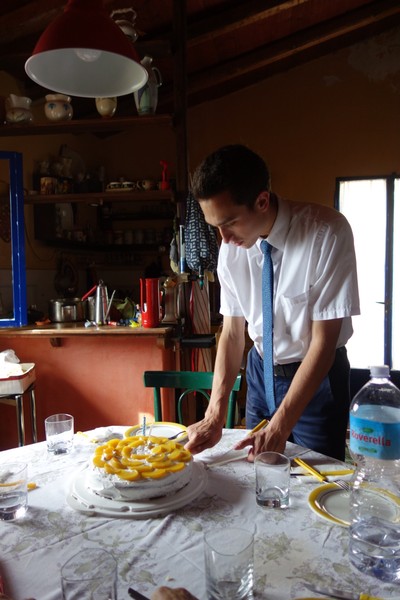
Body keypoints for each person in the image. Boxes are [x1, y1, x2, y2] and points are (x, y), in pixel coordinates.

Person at [185, 144, 360, 461]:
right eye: (215, 227)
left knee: (314, 480)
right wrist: (214, 413)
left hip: (316, 378)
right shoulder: (231, 249)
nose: (224, 239)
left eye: (230, 222)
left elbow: (323, 343)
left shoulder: (327, 233)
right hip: (260, 372)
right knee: (259, 472)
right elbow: (233, 333)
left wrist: (280, 427)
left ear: (262, 201)